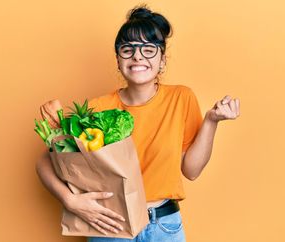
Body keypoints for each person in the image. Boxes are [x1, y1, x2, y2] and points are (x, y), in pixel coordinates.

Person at [36, 4, 240, 242]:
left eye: (149, 49)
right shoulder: (97, 108)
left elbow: (191, 171)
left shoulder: (181, 98)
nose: (137, 56)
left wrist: (211, 121)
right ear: (118, 60)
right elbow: (45, 161)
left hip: (165, 226)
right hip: (111, 227)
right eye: (128, 49)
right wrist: (70, 201)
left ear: (162, 60)